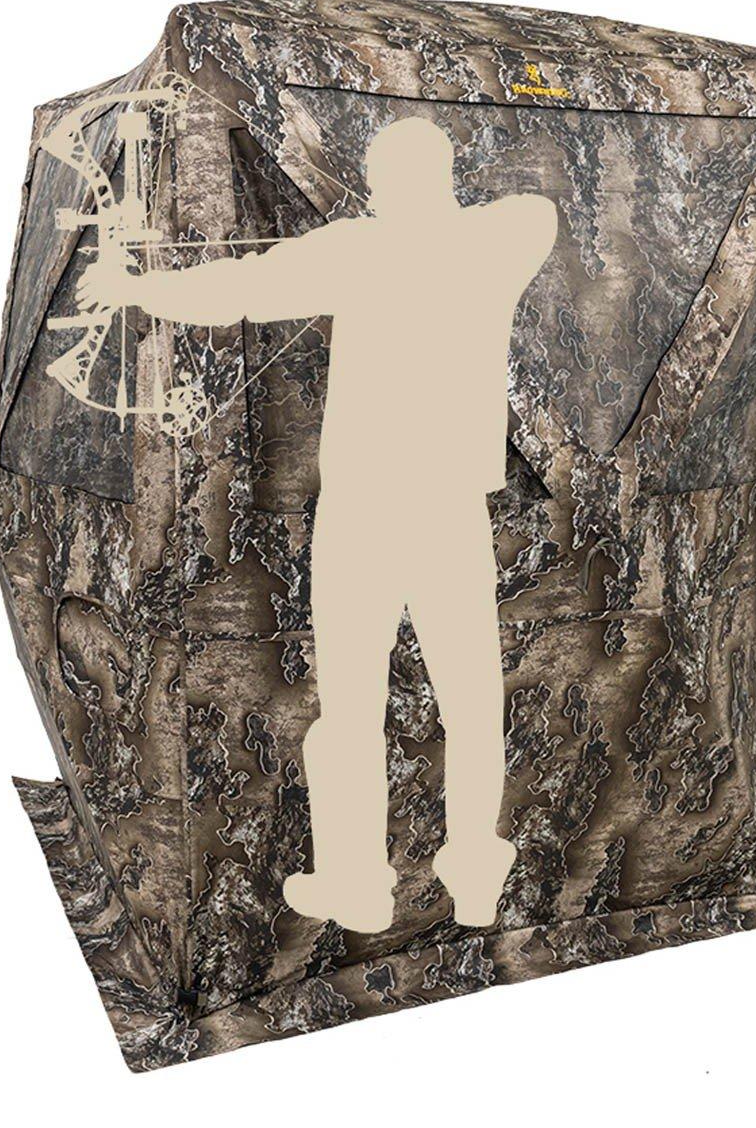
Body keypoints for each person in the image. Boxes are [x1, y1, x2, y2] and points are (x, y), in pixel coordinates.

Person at [78, 117, 557, 932]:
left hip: (367, 512)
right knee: (472, 699)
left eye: (375, 177)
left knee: (354, 703)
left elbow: (236, 288)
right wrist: (424, 219)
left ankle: (358, 887)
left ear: (383, 183)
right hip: (447, 509)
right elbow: (533, 211)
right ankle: (476, 882)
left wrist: (135, 289)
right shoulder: (496, 242)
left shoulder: (357, 249)